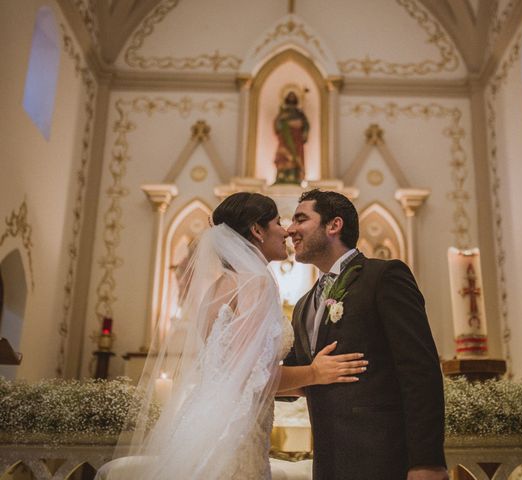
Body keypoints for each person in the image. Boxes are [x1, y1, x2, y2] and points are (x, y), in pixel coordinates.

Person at [99, 192, 367, 480]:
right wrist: (313, 373)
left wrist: (305, 386)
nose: (286, 231)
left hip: (208, 423)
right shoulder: (258, 284)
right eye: (278, 222)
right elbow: (253, 375)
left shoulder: (217, 289)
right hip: (238, 433)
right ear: (256, 230)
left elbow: (233, 374)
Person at [285, 189, 448, 480]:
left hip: (384, 460)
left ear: (334, 225)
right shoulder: (302, 306)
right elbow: (300, 376)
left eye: (300, 219)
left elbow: (420, 371)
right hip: (329, 464)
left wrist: (428, 461)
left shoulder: (383, 277)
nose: (290, 230)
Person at [273, 91, 309, 184]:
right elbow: (277, 124)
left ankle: (293, 175)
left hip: (297, 138)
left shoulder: (299, 112)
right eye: (290, 96)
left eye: (293, 96)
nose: (292, 98)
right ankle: (281, 175)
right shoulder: (283, 112)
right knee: (284, 155)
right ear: (287, 98)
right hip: (285, 137)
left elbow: (305, 124)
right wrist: (287, 123)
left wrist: (303, 128)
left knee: (295, 157)